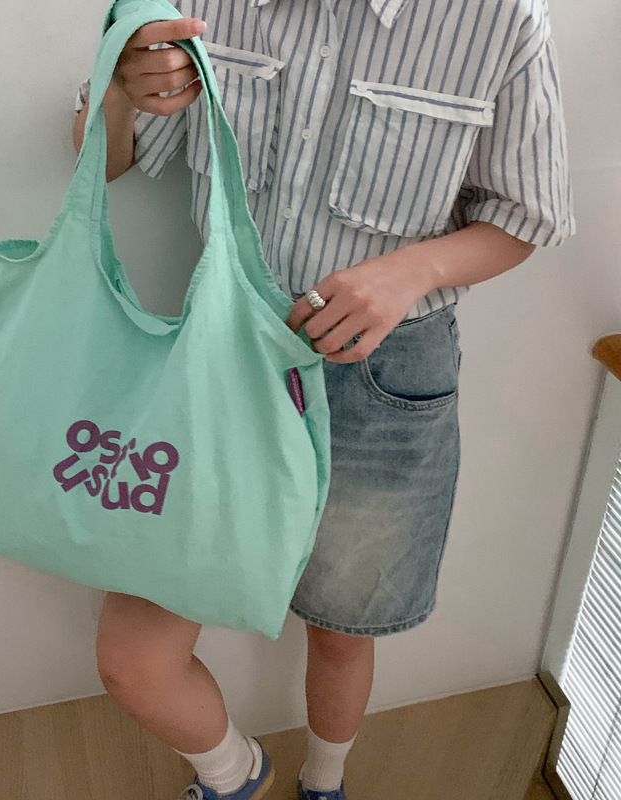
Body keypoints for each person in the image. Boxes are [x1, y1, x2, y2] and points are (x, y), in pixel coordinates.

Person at [72, 2, 575, 799]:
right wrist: (117, 89)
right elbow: (103, 161)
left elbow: (527, 214)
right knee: (134, 653)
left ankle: (326, 781)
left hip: (384, 375)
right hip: (225, 359)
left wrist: (411, 270)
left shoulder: (499, 18)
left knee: (342, 626)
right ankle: (235, 774)